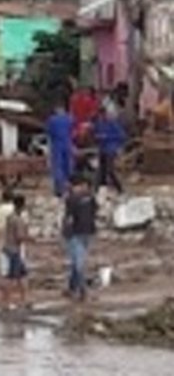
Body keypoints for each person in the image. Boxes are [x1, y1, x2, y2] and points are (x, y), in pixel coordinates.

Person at [63, 174, 99, 302]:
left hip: (84, 233)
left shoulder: (87, 198)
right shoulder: (73, 199)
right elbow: (69, 218)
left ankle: (72, 288)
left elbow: (94, 212)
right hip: (76, 234)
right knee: (79, 263)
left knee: (77, 262)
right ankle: (83, 291)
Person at [1, 194, 30, 311]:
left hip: (9, 248)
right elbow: (19, 237)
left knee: (23, 275)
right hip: (14, 250)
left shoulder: (10, 217)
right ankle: (7, 302)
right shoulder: (18, 219)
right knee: (12, 277)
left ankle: (25, 300)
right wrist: (29, 238)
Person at [92, 107, 127, 195]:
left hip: (111, 149)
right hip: (102, 149)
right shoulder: (99, 123)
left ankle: (120, 188)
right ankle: (99, 189)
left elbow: (122, 136)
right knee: (101, 170)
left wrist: (107, 137)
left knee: (110, 170)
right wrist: (97, 137)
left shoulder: (112, 123)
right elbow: (95, 134)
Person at [0, 190, 15, 304]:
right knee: (20, 269)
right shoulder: (18, 209)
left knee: (4, 270)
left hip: (4, 240)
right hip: (17, 242)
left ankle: (6, 297)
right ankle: (23, 296)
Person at [46, 104, 75, 198]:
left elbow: (49, 132)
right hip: (68, 143)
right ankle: (69, 186)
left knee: (58, 166)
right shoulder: (69, 118)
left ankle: (59, 189)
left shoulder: (52, 120)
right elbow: (72, 130)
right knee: (68, 166)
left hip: (57, 144)